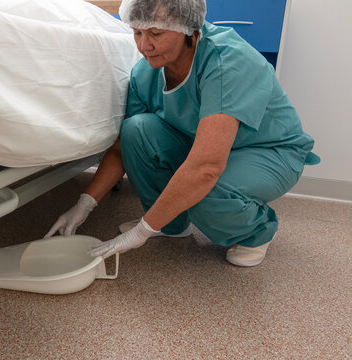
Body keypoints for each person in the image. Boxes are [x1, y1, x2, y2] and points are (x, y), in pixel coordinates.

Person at [45, 0, 319, 266]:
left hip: (268, 150)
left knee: (206, 189)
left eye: (155, 33)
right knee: (135, 129)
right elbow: (121, 149)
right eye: (137, 32)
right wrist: (84, 204)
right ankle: (171, 225)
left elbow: (207, 168)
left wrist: (141, 230)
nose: (143, 46)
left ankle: (256, 231)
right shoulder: (145, 73)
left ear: (189, 28)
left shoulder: (226, 61)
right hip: (203, 148)